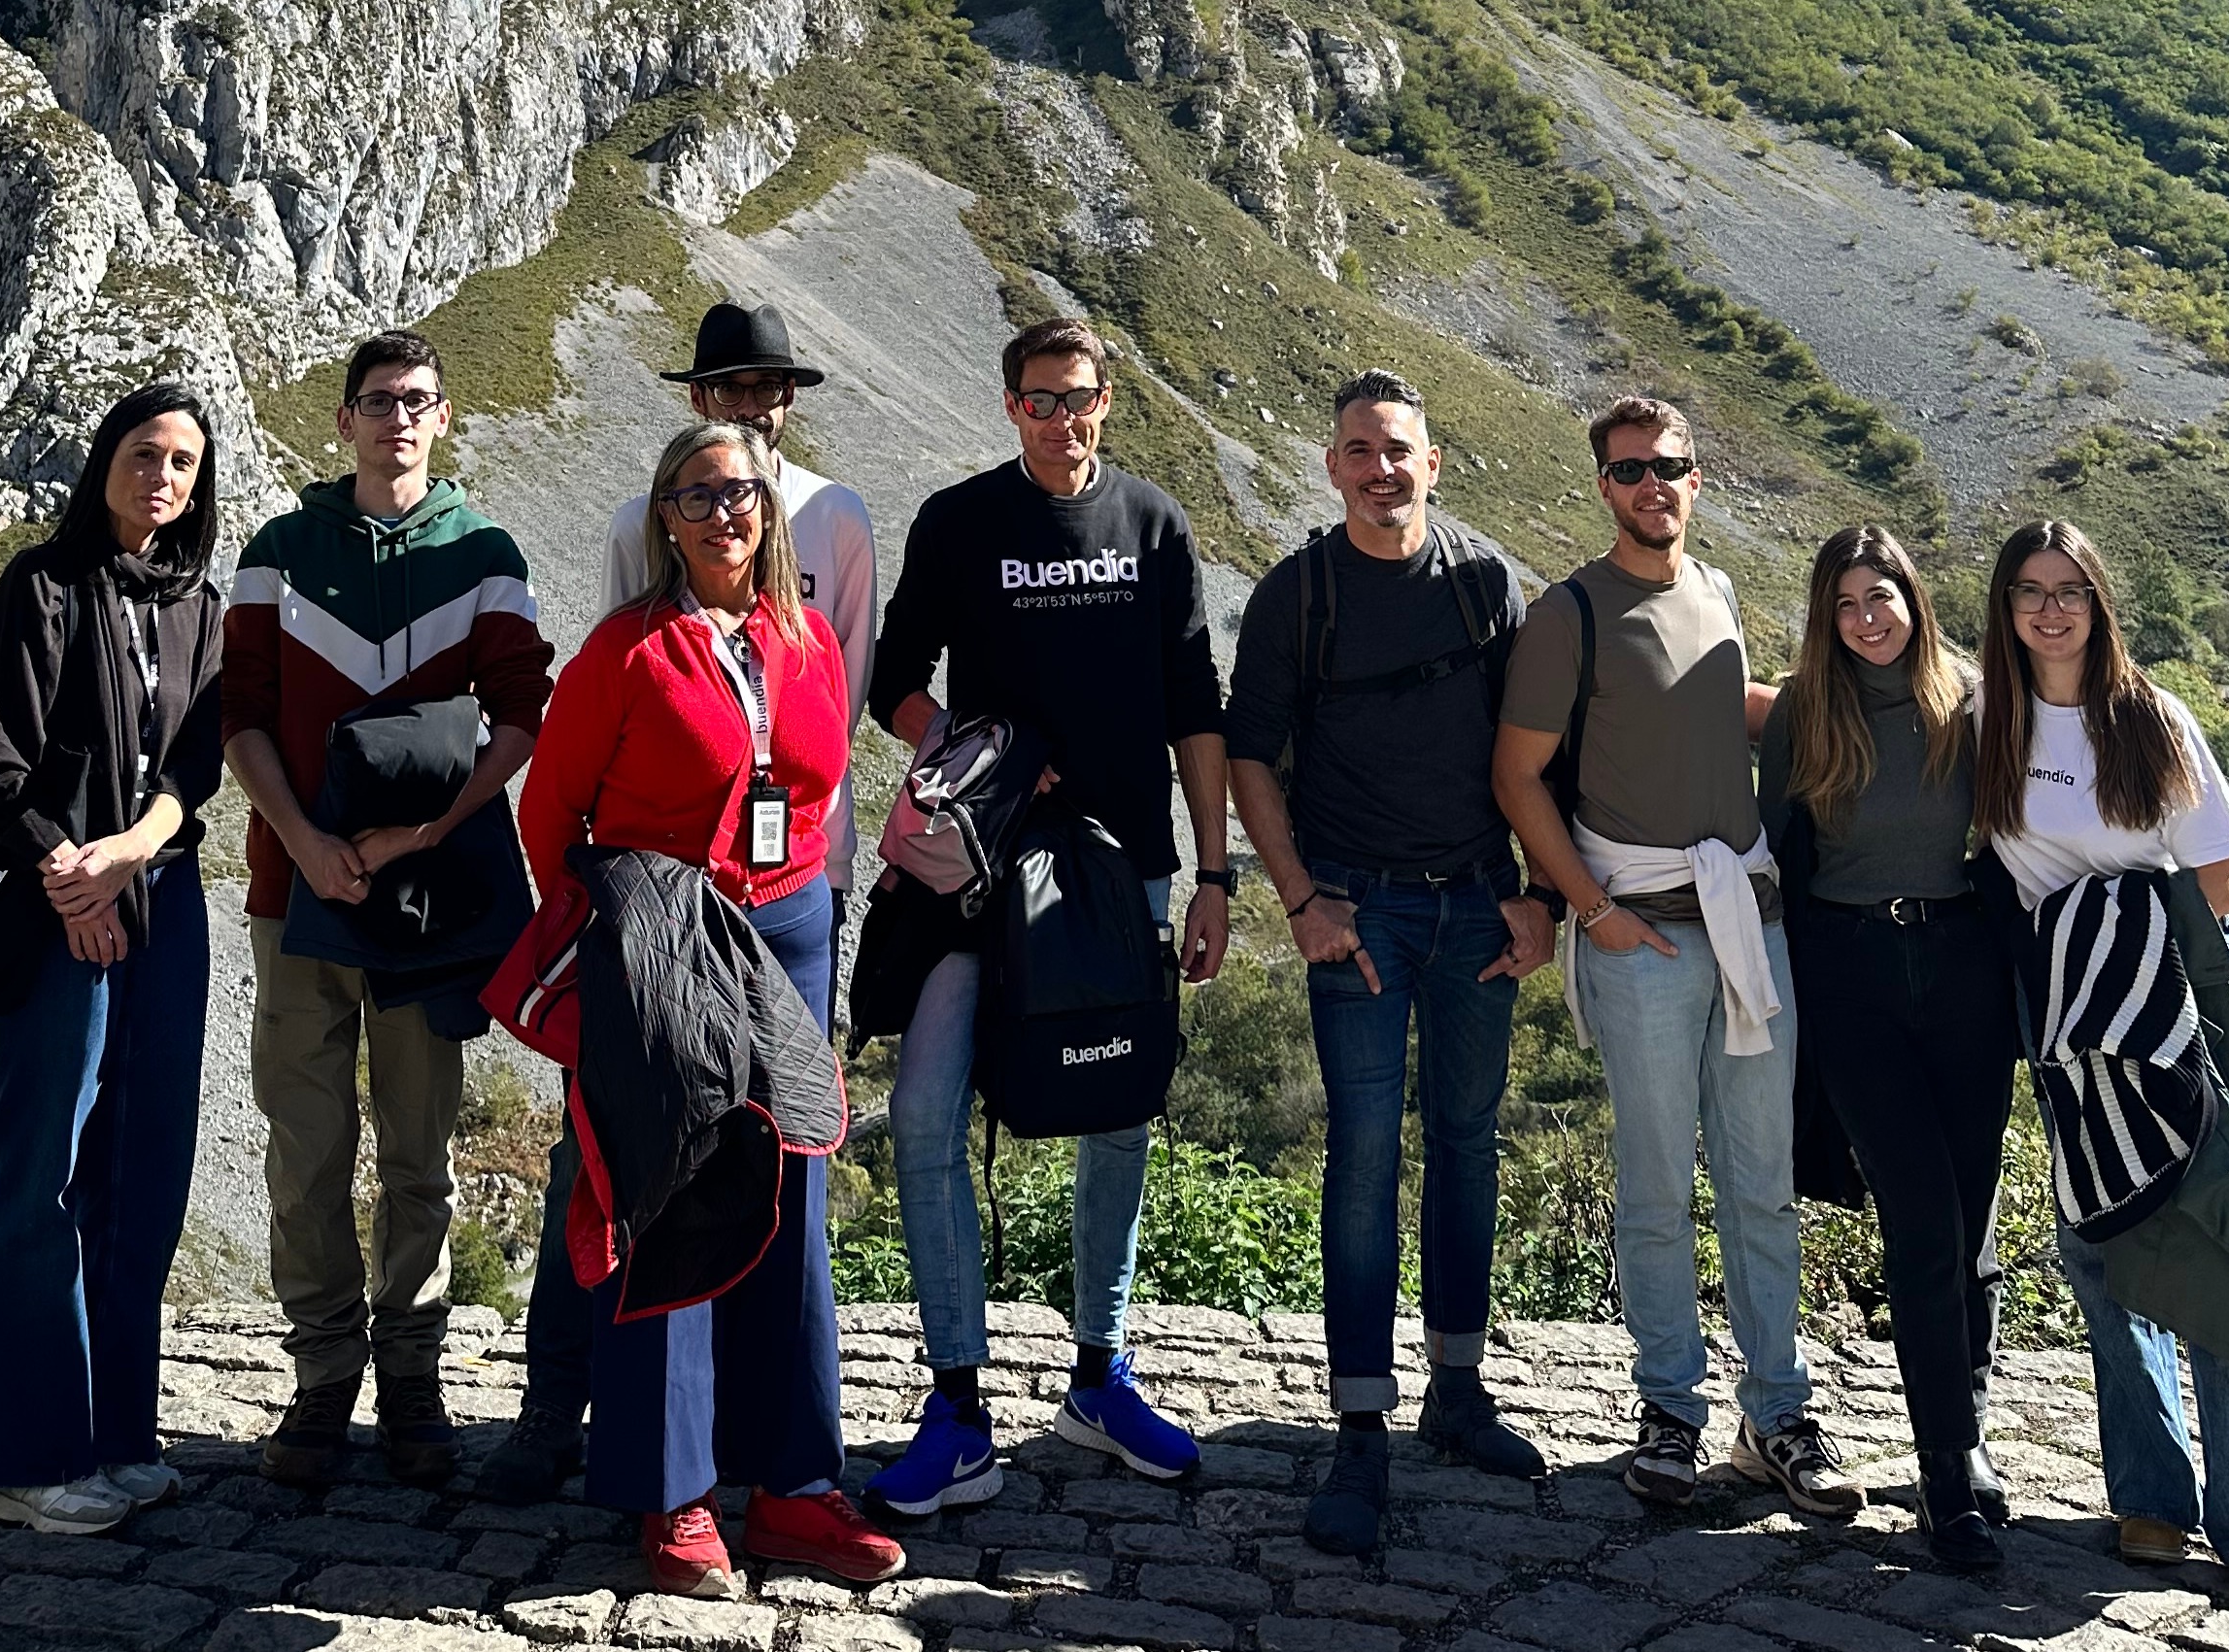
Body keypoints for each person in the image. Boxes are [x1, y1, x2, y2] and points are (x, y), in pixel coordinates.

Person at [485, 302, 876, 1504]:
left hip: (791, 918)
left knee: (787, 1184)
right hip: (661, 930)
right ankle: (628, 1457)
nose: (752, 409)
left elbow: (832, 739)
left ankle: (792, 1476)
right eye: (729, 388)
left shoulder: (822, 576)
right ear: (695, 410)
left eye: (771, 385)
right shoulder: (631, 598)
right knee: (646, 1179)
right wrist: (604, 934)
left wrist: (821, 882)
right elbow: (565, 793)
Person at [860, 316, 1233, 1515]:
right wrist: (984, 754)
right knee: (924, 1113)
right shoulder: (961, 520)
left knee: (1116, 1113)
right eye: (1036, 401)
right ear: (1007, 405)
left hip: (1127, 873)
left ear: (1107, 400)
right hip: (983, 869)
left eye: (1077, 399)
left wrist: (1214, 874)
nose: (1060, 421)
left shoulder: (1154, 523)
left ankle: (1099, 1375)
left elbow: (1197, 707)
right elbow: (893, 684)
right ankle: (958, 1406)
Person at [1492, 396, 1860, 1516]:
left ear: (1699, 480)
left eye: (1673, 467)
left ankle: (1778, 1414)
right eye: (1631, 469)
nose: (1654, 485)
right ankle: (1669, 1409)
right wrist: (1589, 907)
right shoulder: (1569, 615)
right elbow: (1516, 777)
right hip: (1641, 931)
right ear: (1603, 485)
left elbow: (1715, 711)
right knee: (1655, 1184)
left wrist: (1872, 703)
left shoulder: (1718, 593)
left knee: (1762, 1184)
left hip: (1749, 925)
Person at [1224, 369, 1557, 1555]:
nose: (1381, 469)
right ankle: (1359, 1427)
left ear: (1434, 462)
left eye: (1400, 450)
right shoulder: (1295, 594)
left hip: (1476, 910)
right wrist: (1301, 900)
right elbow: (1246, 757)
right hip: (1356, 918)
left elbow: (1532, 748)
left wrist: (1537, 897)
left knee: (1468, 1142)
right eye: (1360, 450)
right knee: (1364, 1156)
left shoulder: (1483, 581)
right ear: (1332, 467)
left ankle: (1458, 1393)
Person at [223, 330, 557, 1489]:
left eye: (415, 401)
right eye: (375, 401)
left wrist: (423, 830)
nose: (395, 419)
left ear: (445, 417)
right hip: (294, 892)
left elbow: (522, 710)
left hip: (432, 899)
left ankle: (413, 1381)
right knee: (306, 1150)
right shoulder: (276, 551)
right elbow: (242, 718)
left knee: (420, 1150)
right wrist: (309, 843)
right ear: (343, 420)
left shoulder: (486, 551)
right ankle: (320, 1385)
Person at [1976, 520, 2229, 1605]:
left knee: (2228, 1230)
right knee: (2107, 1243)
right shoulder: (1989, 721)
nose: (2051, 609)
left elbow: (2217, 881)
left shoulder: (2149, 717)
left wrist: (2124, 946)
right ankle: (2152, 1499)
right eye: (2031, 590)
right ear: (2005, 607)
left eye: (2070, 589)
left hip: (2186, 1001)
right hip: (2073, 1017)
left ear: (2099, 602)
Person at [0, 383, 226, 1533]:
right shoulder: (42, 586)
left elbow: (196, 770)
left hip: (160, 898)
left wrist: (135, 849)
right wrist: (77, 877)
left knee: (144, 1170)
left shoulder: (197, 602)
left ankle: (114, 1431)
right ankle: (21, 1455)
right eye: (146, 451)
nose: (164, 474)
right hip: (55, 906)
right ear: (107, 458)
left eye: (185, 463)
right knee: (42, 1172)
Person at [1757, 526, 2012, 1570]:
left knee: (1972, 1212)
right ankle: (1946, 1472)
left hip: (1961, 969)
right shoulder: (1807, 716)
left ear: (1915, 597)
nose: (1866, 618)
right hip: (1852, 978)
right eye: (1845, 605)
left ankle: (1975, 1429)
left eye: (1882, 596)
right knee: (1917, 1214)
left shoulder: (1974, 698)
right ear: (1825, 619)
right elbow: (1776, 847)